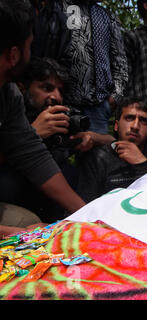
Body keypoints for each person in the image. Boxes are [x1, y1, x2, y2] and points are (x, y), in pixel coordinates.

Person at [0, 0, 85, 235]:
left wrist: (88, 216)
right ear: (14, 55)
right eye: (31, 44)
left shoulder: (8, 95)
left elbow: (32, 155)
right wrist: (13, 234)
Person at [32, 0, 129, 134]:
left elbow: (119, 59)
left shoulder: (106, 16)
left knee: (98, 152)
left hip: (98, 106)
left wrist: (115, 96)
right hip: (59, 101)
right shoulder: (56, 8)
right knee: (53, 149)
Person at [77, 97, 147, 203]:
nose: (135, 126)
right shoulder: (97, 158)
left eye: (143, 121)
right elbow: (85, 207)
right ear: (116, 126)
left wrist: (141, 163)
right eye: (129, 118)